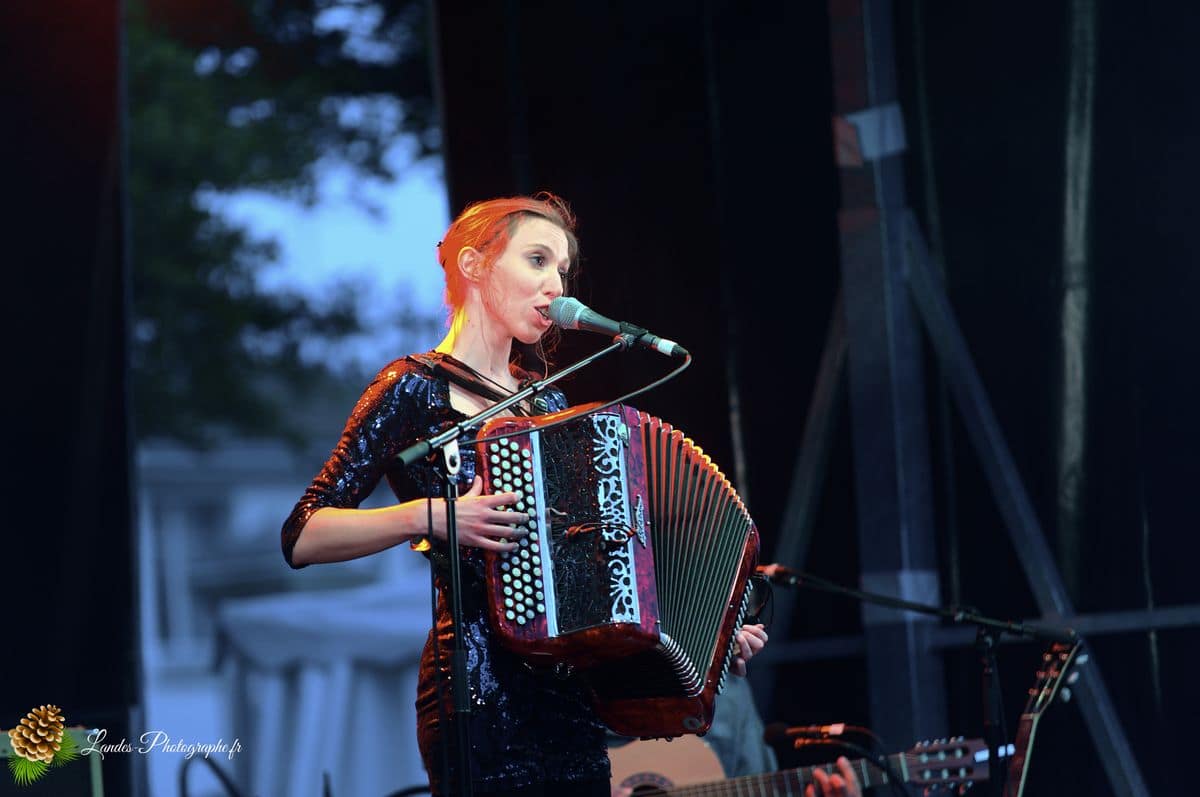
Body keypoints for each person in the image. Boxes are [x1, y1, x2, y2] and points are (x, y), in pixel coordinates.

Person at [280, 192, 772, 797]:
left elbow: (600, 576)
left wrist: (712, 634)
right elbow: (303, 535)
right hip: (477, 692)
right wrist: (431, 516)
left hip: (570, 701)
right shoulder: (411, 389)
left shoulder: (549, 405)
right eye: (537, 260)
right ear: (473, 265)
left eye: (562, 270)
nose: (555, 286)